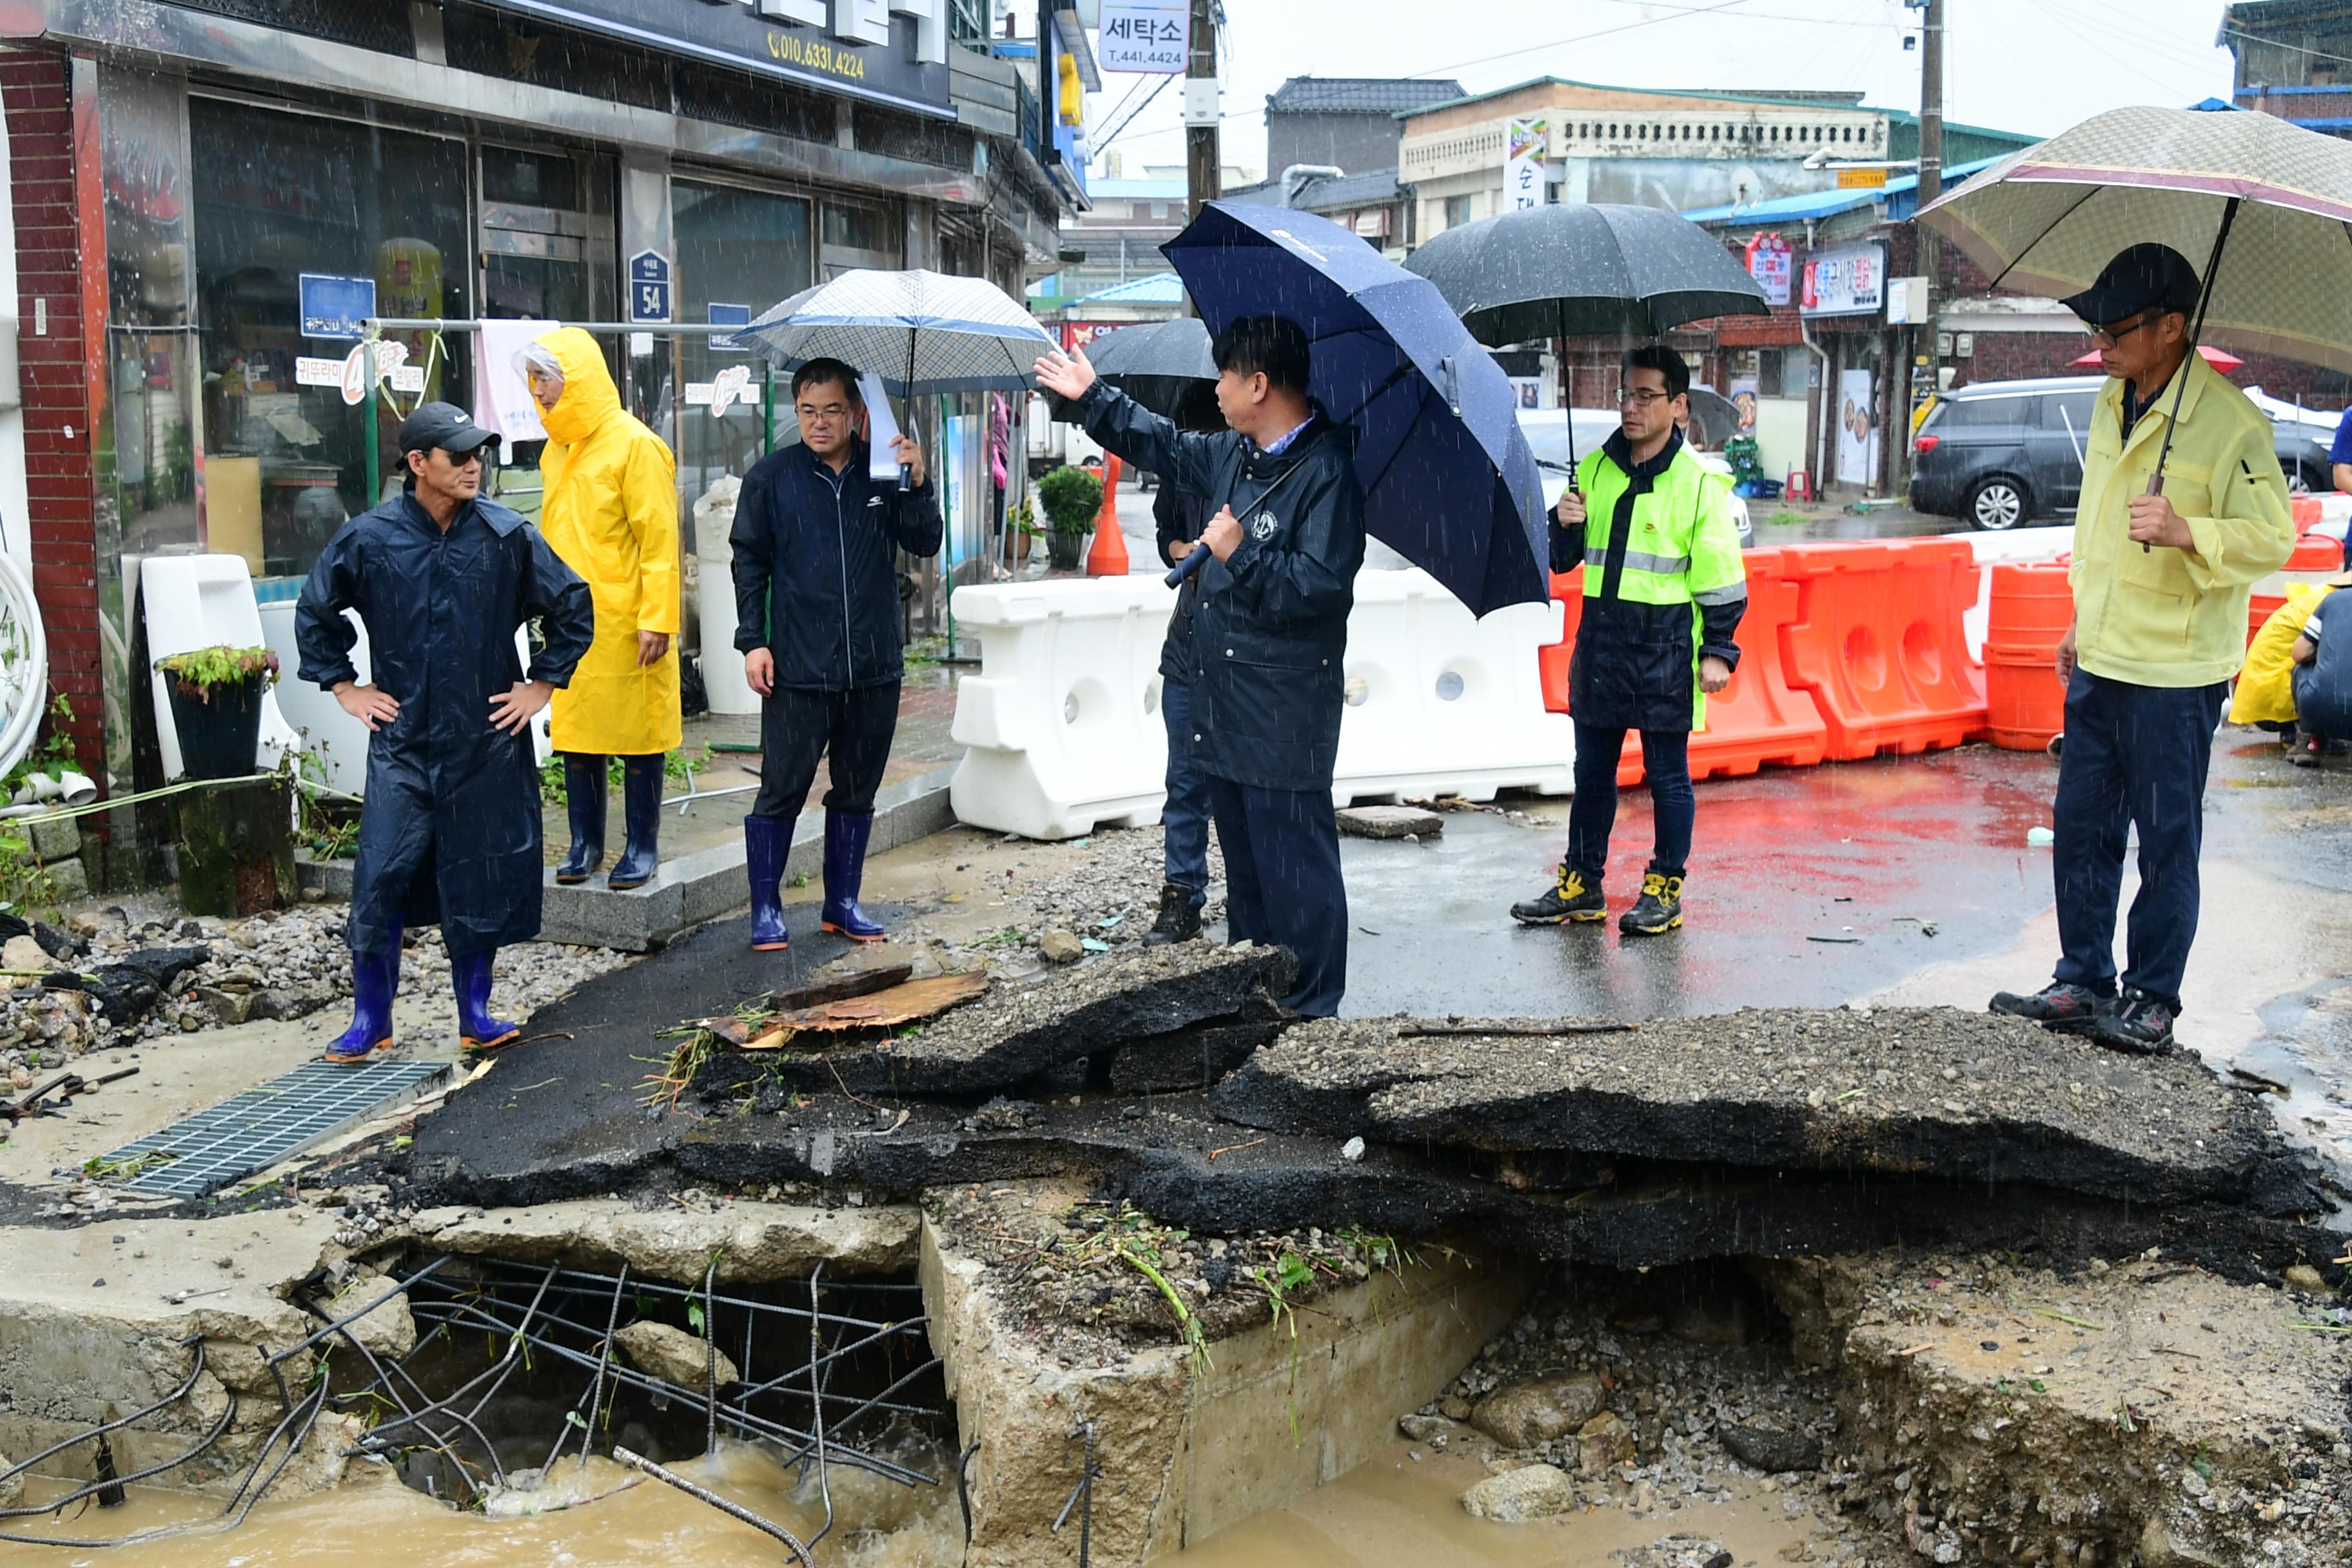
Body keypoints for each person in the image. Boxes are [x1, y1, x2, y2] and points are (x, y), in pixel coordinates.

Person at [1990, 244, 2294, 1055]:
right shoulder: (2108, 399)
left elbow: (2275, 537)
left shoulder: (2232, 422)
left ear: (2171, 328)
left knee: (2166, 843)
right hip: (2102, 655)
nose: (2104, 343)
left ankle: (2152, 996)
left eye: (2119, 328)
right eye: (2098, 327)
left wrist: (2189, 528)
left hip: (2176, 669)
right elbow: (2099, 532)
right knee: (2082, 826)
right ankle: (2082, 978)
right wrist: (2079, 619)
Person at [1035, 316, 1366, 1017]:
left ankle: (1311, 1011)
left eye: (1223, 375)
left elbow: (1319, 591)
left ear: (1258, 383)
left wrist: (1240, 551)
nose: (1214, 389)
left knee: (1297, 872)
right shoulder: (1233, 456)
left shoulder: (1327, 473)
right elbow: (1162, 442)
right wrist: (1093, 398)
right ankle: (1257, 998)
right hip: (1222, 705)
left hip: (1284, 717)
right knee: (1245, 873)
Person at [296, 403, 594, 1063]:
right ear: (417, 463)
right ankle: (371, 1019)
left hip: (484, 740)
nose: (472, 463)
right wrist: (346, 687)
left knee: (477, 874)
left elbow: (571, 603)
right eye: (457, 454)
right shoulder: (370, 539)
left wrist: (541, 685)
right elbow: (318, 605)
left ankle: (476, 1013)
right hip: (402, 744)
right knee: (379, 876)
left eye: (478, 452)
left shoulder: (505, 534)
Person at [1510, 346, 1747, 936]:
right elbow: (1565, 562)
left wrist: (1718, 651)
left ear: (1678, 404)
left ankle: (1665, 886)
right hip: (1602, 646)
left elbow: (1721, 575)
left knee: (1668, 777)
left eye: (1646, 396)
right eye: (1626, 394)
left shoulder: (1698, 483)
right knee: (1591, 773)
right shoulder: (1593, 469)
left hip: (1665, 649)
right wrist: (1559, 522)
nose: (1631, 407)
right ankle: (1582, 884)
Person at [730, 359, 940, 950]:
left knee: (857, 789)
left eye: (832, 411)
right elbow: (749, 563)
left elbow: (925, 541)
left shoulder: (884, 472)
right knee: (783, 787)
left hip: (874, 665)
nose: (819, 423)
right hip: (799, 666)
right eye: (807, 411)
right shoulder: (772, 478)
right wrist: (754, 641)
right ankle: (766, 908)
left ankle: (842, 903)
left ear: (856, 413)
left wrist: (917, 480)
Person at [520, 327, 681, 893]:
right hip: (571, 618)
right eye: (534, 379)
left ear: (578, 381)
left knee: (638, 733)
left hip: (628, 618)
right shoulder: (554, 451)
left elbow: (660, 538)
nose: (538, 391)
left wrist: (658, 616)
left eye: (548, 379)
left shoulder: (635, 445)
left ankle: (642, 846)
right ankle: (586, 844)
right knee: (577, 732)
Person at [1144, 384, 1224, 947]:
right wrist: (1185, 553)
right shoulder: (1181, 464)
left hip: (1240, 652)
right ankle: (1182, 897)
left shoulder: (1259, 469)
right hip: (1186, 645)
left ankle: (1252, 899)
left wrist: (1224, 556)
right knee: (1184, 781)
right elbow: (1165, 534)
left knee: (1240, 788)